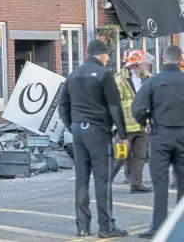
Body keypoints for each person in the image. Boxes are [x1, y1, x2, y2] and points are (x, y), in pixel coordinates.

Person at [58, 39, 129, 238]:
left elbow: (62, 106)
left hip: (78, 131)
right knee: (102, 180)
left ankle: (82, 226)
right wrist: (123, 135)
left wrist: (72, 126)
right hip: (98, 131)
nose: (108, 59)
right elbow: (115, 107)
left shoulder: (73, 75)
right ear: (100, 54)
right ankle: (106, 226)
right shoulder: (105, 75)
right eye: (107, 55)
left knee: (81, 179)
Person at [133, 45, 184, 239]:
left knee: (160, 184)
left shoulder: (153, 82)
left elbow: (137, 109)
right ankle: (181, 228)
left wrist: (145, 121)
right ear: (179, 59)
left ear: (163, 59)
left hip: (160, 135)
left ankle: (159, 228)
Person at [112, 49, 152, 193]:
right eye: (143, 63)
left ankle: (136, 184)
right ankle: (104, 183)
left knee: (140, 157)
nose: (146, 65)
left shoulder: (147, 78)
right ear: (135, 65)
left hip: (142, 127)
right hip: (126, 128)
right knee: (120, 157)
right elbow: (114, 105)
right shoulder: (119, 81)